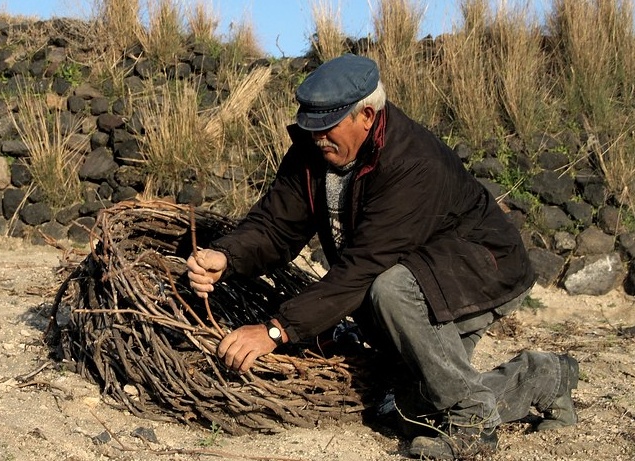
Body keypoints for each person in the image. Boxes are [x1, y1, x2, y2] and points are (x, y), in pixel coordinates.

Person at [186, 54, 579, 460]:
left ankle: (473, 419)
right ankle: (544, 376)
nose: (317, 138)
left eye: (327, 128)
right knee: (411, 409)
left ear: (368, 116)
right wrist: (226, 256)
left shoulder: (412, 163)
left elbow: (363, 268)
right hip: (421, 282)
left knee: (390, 289)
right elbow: (274, 226)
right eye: (310, 127)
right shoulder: (313, 150)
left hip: (481, 271)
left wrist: (275, 330)